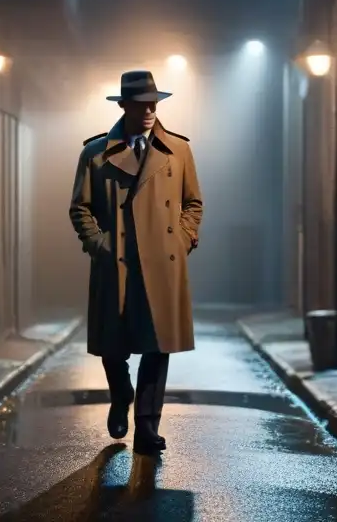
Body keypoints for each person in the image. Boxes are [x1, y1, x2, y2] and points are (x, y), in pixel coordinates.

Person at [68, 70, 204, 455]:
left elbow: (193, 202)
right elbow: (80, 208)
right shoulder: (95, 154)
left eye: (153, 104)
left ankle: (147, 426)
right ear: (123, 105)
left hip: (163, 260)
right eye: (140, 104)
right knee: (113, 345)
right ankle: (120, 394)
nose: (148, 111)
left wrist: (183, 236)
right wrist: (99, 245)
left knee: (157, 346)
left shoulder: (178, 150)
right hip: (118, 262)